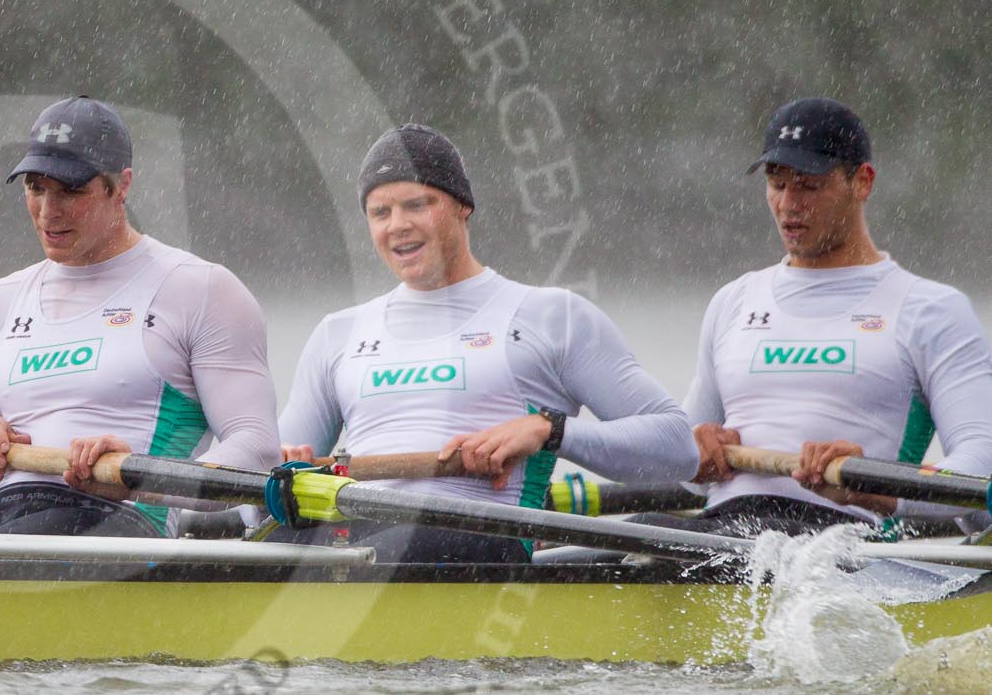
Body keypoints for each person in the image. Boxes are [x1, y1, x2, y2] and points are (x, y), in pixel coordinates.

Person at [277, 125, 697, 563]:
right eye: (380, 212)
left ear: (462, 206)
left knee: (391, 552)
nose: (397, 225)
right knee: (272, 549)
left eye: (417, 205)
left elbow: (677, 449)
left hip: (479, 542)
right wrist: (284, 465)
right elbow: (257, 504)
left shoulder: (551, 318)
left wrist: (549, 430)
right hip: (364, 538)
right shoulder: (337, 334)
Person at [0, 97, 279, 538]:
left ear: (122, 186)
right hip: (7, 516)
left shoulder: (201, 290)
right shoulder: (0, 301)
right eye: (35, 188)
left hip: (121, 525)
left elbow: (259, 452)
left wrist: (137, 474)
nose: (47, 210)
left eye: (70, 190)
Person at [654, 98, 992, 537]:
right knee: (642, 529)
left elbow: (981, 464)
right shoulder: (734, 301)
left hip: (844, 541)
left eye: (809, 186)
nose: (789, 204)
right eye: (777, 183)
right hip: (723, 530)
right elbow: (686, 475)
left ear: (863, 182)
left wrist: (872, 486)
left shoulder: (929, 310)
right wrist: (694, 453)